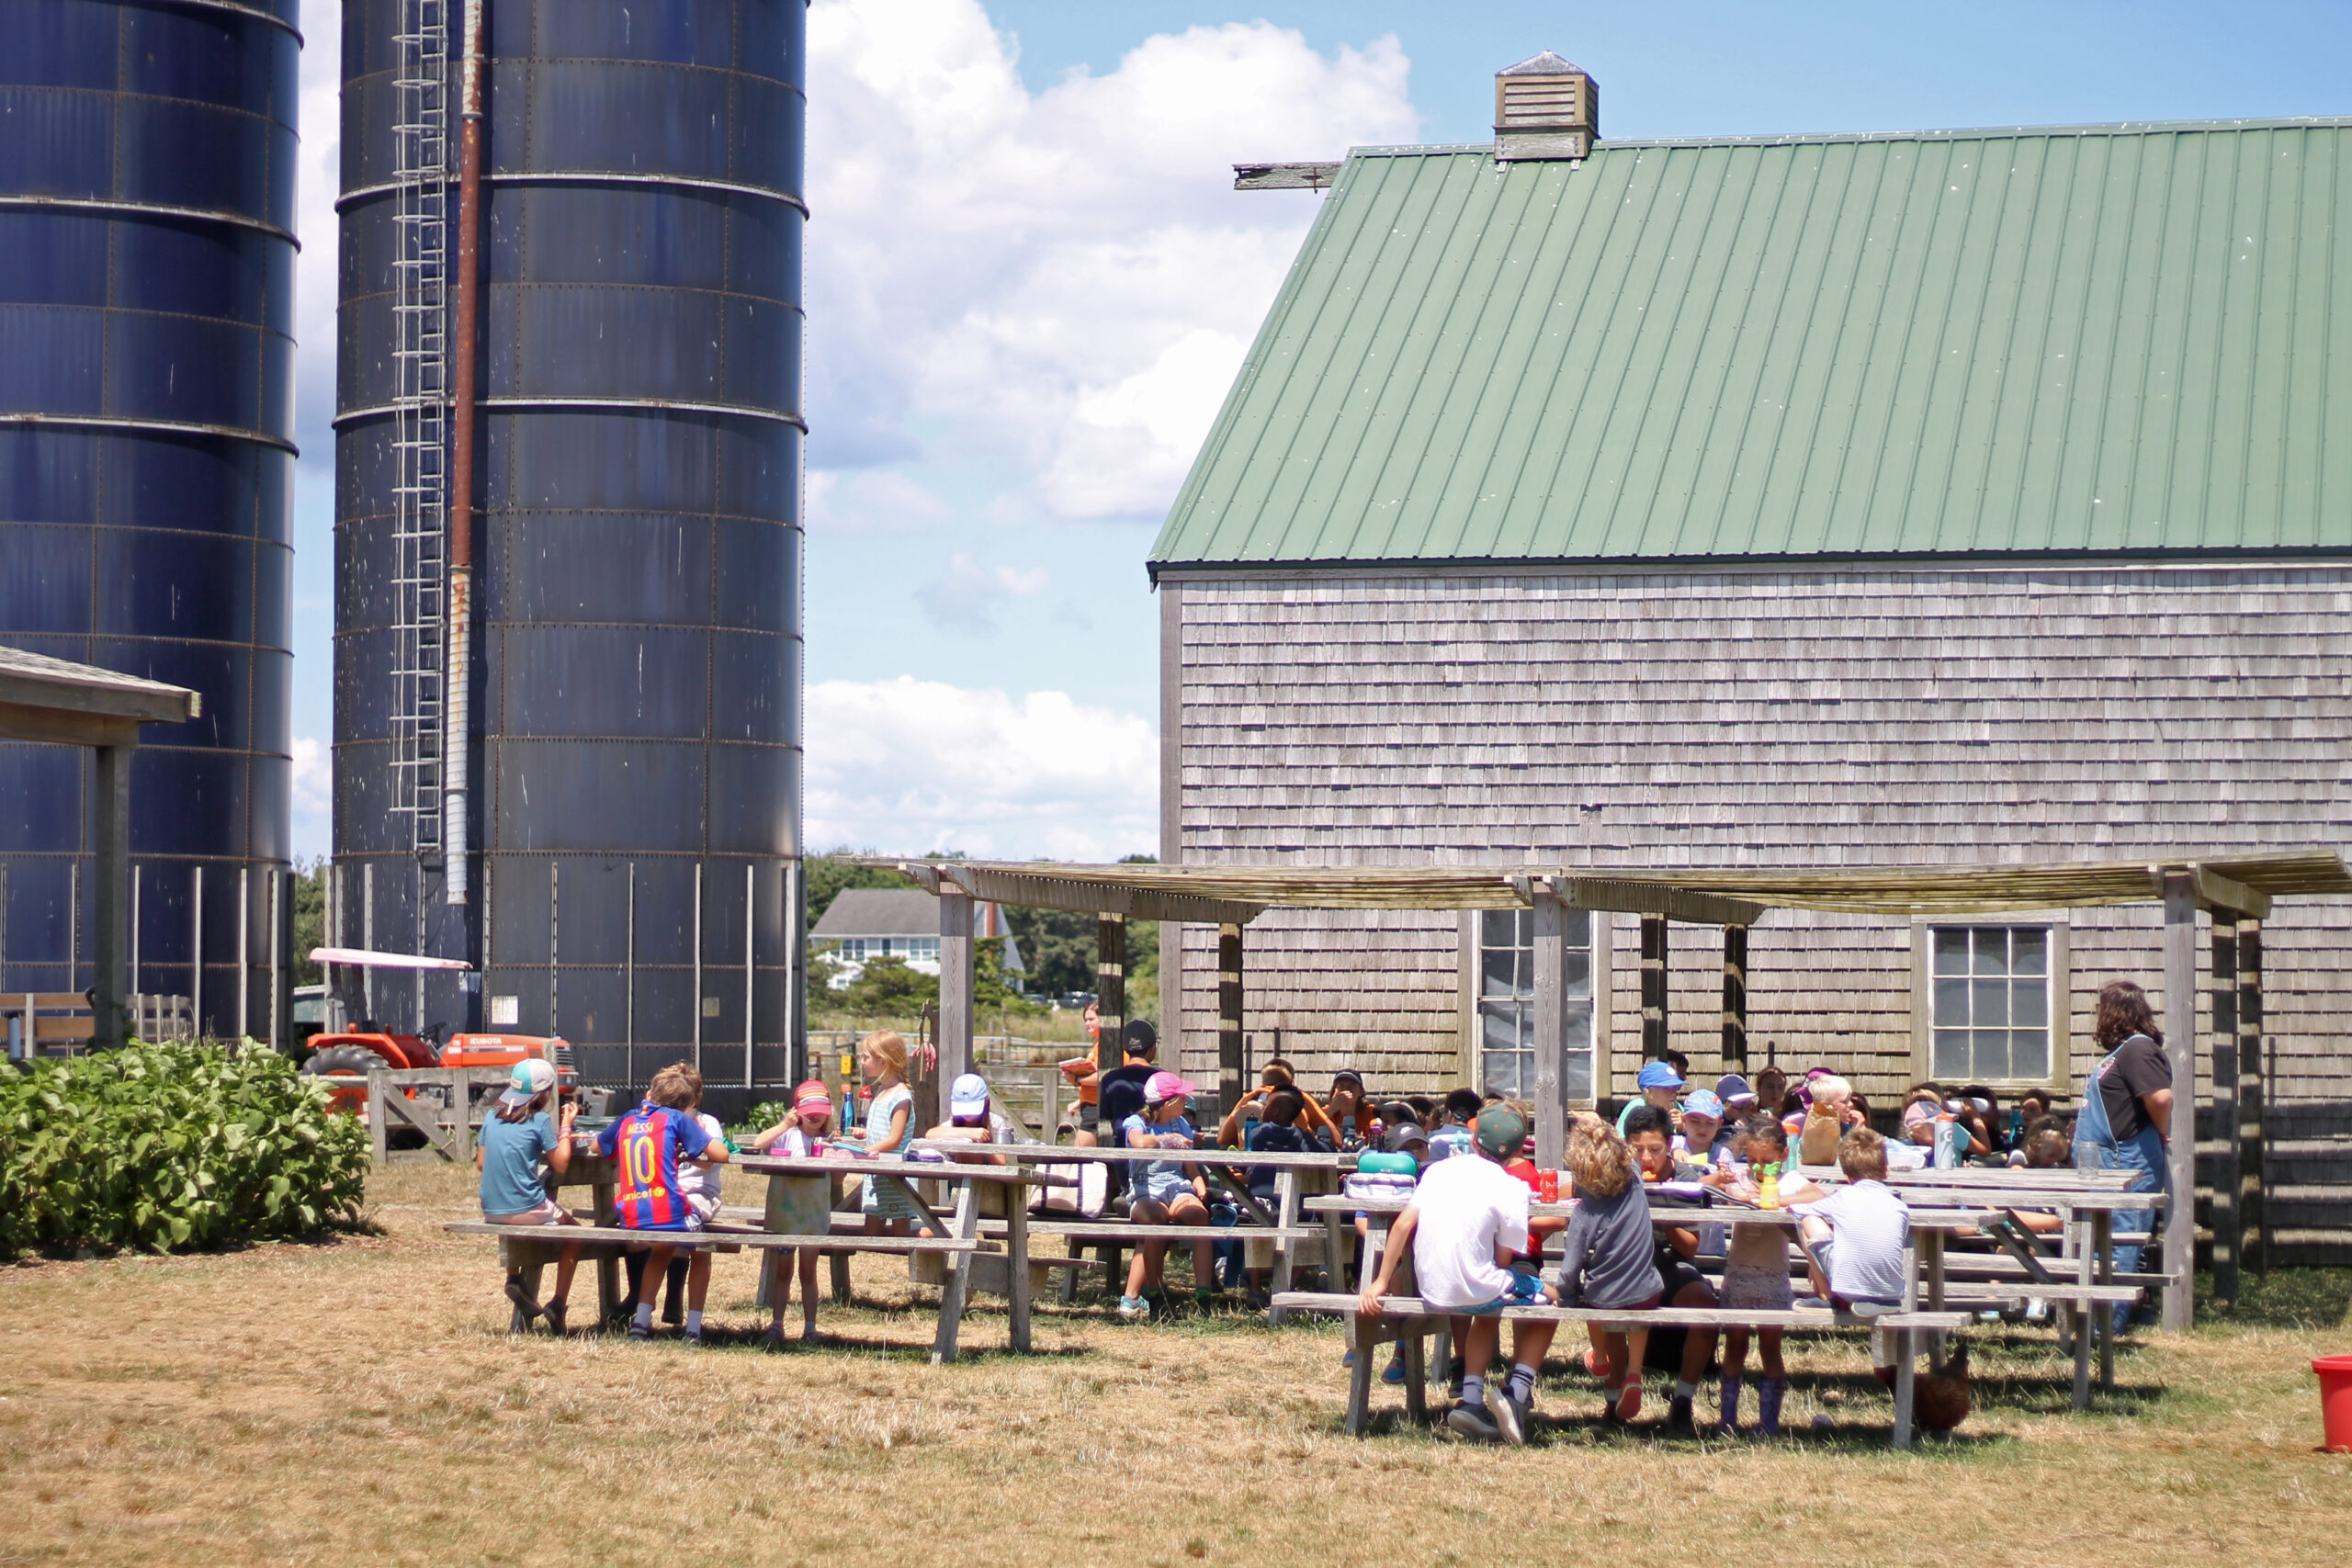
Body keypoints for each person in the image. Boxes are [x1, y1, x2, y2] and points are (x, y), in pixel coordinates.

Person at [1357, 1107, 1555, 1445]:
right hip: (1477, 1286)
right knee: (1552, 1301)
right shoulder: (1512, 1187)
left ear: (1474, 1140)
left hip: (1431, 1288)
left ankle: (1472, 1399)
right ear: (1519, 1150)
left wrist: (1381, 1281)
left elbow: (1403, 1224)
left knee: (1487, 1309)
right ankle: (1517, 1391)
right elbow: (1504, 1259)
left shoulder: (1437, 1171)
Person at [597, 1061, 729, 1342]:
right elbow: (721, 1154)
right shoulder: (678, 1119)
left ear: (651, 1095)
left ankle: (640, 1323)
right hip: (670, 1209)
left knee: (662, 1249)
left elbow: (598, 1146)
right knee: (702, 1249)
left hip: (631, 1215)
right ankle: (693, 1329)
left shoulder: (630, 1119)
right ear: (689, 1102)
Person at [2075, 979, 2172, 1332]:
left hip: (2125, 1163)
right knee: (2103, 1241)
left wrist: (2163, 1131)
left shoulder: (2137, 1050)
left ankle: (2106, 1328)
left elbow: (2160, 1099)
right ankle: (2096, 1319)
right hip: (2105, 1164)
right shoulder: (2121, 1053)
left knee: (2120, 1245)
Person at [1556, 1115, 1665, 1425]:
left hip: (1604, 1299)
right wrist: (1601, 1128)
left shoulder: (1584, 1212)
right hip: (1647, 1292)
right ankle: (1634, 1372)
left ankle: (1601, 1358)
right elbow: (1621, 1155)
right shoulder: (1635, 1180)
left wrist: (1566, 1298)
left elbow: (1568, 1271)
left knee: (1593, 1296)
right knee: (1638, 1310)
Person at [1623, 1104, 1721, 1433]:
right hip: (1630, 1264)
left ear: (1669, 1145)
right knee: (1598, 1302)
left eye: (1655, 1149)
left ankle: (1683, 1399)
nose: (1646, 1158)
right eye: (1637, 1150)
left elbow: (1690, 1247)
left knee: (1707, 1307)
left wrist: (1661, 1212)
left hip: (1671, 1263)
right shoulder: (1620, 1174)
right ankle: (1615, 1397)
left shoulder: (1685, 1179)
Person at [1792, 1127, 1909, 1387]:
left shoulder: (1843, 1196)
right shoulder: (1899, 1205)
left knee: (1810, 1221)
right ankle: (1866, 1294)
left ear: (1846, 1175)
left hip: (1851, 1291)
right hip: (1892, 1291)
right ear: (1886, 1170)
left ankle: (1828, 1297)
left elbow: (1801, 1210)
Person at [477, 1059, 581, 1334]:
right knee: (575, 1235)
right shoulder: (540, 1120)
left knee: (508, 1211)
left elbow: (480, 1162)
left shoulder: (491, 1116)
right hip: (527, 1207)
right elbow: (561, 1164)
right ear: (544, 1094)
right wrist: (567, 1127)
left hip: (491, 1209)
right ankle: (558, 1304)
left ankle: (514, 1279)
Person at [1713, 1115, 1796, 1434]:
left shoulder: (1789, 1182)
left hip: (1773, 1277)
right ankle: (1727, 1420)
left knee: (1770, 1348)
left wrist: (1776, 1202)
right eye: (1753, 1160)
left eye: (1768, 1160)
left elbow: (1818, 1196)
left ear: (1783, 1156)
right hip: (1739, 1275)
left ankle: (1769, 1422)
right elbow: (1702, 1188)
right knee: (1735, 1347)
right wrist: (1725, 1183)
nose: (1760, 1167)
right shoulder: (1740, 1181)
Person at [1117, 1071, 1215, 1318]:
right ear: (1170, 1102)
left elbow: (1189, 1167)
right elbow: (1139, 1143)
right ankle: (1156, 1296)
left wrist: (1200, 1186)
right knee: (1155, 1225)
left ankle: (1204, 1297)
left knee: (1200, 1219)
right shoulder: (1136, 1122)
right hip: (1145, 1188)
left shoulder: (1182, 1124)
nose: (1187, 1101)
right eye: (1183, 1097)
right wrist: (1168, 1140)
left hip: (1176, 1186)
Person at [748, 1078, 835, 1348]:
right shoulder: (788, 1134)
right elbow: (757, 1143)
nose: (815, 1118)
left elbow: (840, 1181)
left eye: (820, 1113)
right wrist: (784, 1125)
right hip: (786, 1216)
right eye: (809, 1114)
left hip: (812, 1215)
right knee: (783, 1272)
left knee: (808, 1272)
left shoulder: (829, 1140)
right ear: (797, 1111)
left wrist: (839, 1155)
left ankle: (811, 1327)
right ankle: (777, 1324)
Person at [842, 1031, 926, 1236]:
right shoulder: (882, 1091)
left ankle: (938, 1234)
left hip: (896, 1176)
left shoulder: (901, 1096)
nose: (861, 1061)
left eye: (865, 1057)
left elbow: (894, 1138)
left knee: (901, 1236)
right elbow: (883, 1130)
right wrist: (866, 1133)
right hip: (876, 1174)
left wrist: (863, 1152)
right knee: (871, 1235)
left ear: (884, 1061)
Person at [1616, 1059, 1684, 1134]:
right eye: (1666, 1089)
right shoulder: (1637, 1108)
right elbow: (1620, 1141)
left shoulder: (1677, 1108)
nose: (1673, 1093)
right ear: (1647, 1093)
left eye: (1675, 1088)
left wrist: (1683, 1128)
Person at [1673, 1089, 1733, 1165]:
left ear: (1719, 1124)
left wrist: (1725, 1174)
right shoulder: (1672, 1143)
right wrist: (1673, 1152)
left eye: (1710, 1123)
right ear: (1684, 1120)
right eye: (1695, 1121)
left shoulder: (1723, 1155)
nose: (1702, 1128)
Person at [1427, 1088, 1482, 1161]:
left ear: (1449, 1113)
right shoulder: (1481, 1143)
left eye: (1443, 1111)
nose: (1441, 1118)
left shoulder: (1430, 1140)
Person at [1326, 1070, 1376, 1150]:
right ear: (1335, 1090)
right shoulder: (1325, 1112)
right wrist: (1331, 1109)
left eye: (1352, 1085)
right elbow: (1312, 1132)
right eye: (1342, 1085)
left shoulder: (1371, 1112)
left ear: (1360, 1091)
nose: (1346, 1089)